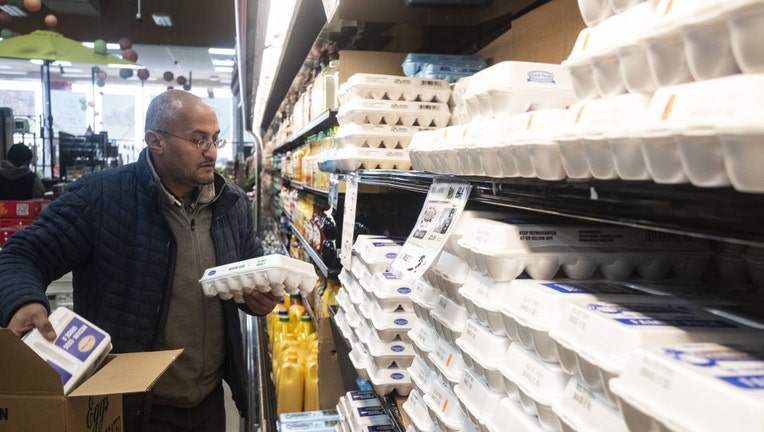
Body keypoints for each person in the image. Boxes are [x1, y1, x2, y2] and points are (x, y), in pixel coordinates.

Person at [0, 89, 281, 432]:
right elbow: (22, 253)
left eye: (215, 140)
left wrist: (260, 297)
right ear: (155, 141)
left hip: (208, 405)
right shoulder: (100, 197)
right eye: (199, 140)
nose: (211, 152)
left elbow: (251, 266)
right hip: (133, 408)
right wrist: (23, 301)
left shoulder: (230, 202)